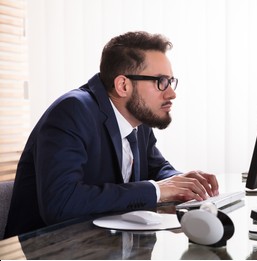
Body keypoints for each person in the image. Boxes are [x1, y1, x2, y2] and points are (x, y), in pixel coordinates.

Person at [4, 31, 219, 238]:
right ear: (123, 85)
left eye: (171, 81)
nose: (171, 93)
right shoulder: (72, 112)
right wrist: (157, 191)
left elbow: (157, 168)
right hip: (44, 253)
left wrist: (184, 184)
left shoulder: (138, 117)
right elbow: (61, 203)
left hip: (105, 245)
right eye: (160, 82)